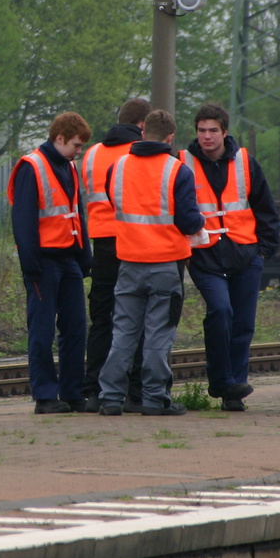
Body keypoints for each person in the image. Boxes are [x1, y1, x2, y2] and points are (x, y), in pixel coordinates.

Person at [97, 109, 204, 416]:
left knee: (124, 333)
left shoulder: (117, 168)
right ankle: (155, 399)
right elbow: (187, 221)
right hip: (165, 265)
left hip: (128, 262)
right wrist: (200, 221)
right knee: (159, 334)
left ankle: (111, 399)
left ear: (143, 133)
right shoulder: (178, 171)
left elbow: (116, 203)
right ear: (170, 138)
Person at [181, 104, 280, 411]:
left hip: (246, 253)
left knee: (243, 324)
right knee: (220, 312)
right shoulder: (182, 163)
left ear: (225, 132)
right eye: (201, 131)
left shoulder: (245, 161)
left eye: (213, 131)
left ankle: (234, 390)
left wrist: (263, 249)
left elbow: (265, 206)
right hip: (205, 255)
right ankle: (221, 380)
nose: (207, 137)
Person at [8, 112, 97, 414]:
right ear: (59, 138)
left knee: (75, 328)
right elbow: (23, 221)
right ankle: (45, 396)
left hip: (68, 259)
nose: (79, 151)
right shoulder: (31, 167)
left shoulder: (69, 167)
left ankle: (73, 392)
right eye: (76, 144)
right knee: (42, 331)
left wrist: (85, 257)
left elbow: (77, 214)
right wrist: (30, 265)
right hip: (43, 263)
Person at [79, 97, 150, 406]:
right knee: (137, 317)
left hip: (101, 244)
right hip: (134, 242)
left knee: (102, 318)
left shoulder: (93, 153)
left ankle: (93, 390)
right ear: (143, 126)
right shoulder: (139, 154)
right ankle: (136, 392)